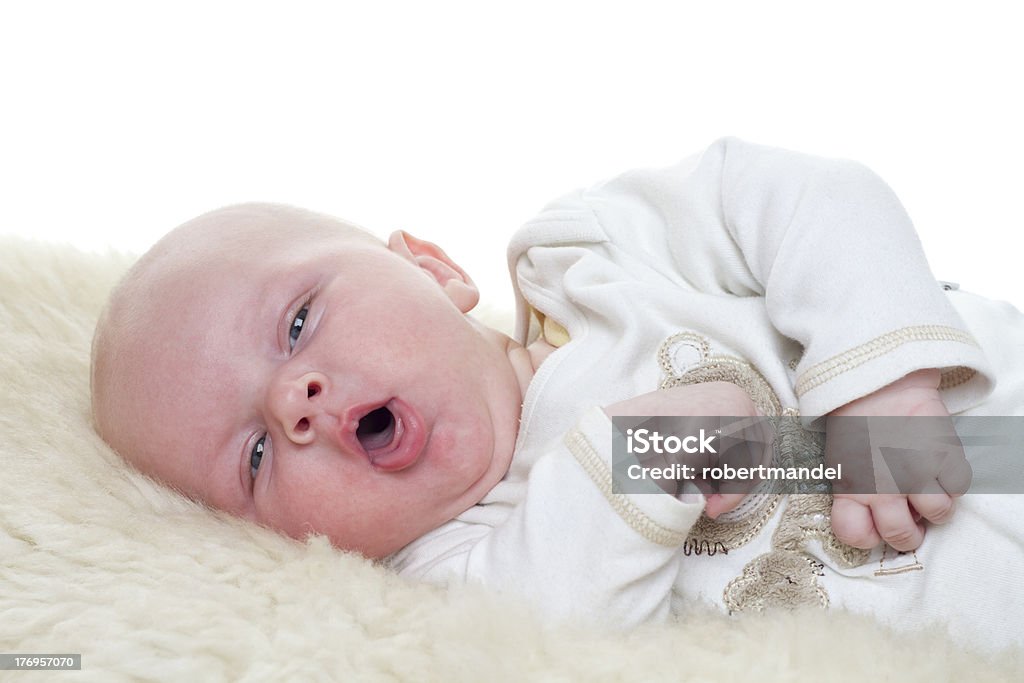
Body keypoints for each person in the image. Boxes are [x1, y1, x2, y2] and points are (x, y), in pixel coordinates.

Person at [90, 138, 1024, 652]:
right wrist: (642, 447)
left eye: (298, 322)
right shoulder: (456, 571)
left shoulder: (596, 255)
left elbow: (812, 198)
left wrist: (880, 383)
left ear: (432, 267)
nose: (296, 400)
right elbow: (568, 635)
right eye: (254, 455)